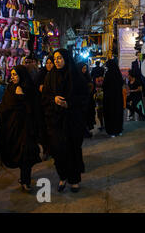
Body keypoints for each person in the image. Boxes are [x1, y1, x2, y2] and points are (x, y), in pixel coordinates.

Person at [42, 49, 88, 193]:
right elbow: (45, 96)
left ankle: (74, 179)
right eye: (55, 58)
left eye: (60, 58)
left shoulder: (76, 76)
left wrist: (69, 104)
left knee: (73, 150)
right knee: (58, 151)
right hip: (55, 121)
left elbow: (84, 97)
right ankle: (62, 177)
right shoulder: (50, 77)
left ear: (66, 59)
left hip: (72, 120)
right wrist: (53, 99)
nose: (57, 61)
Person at [0, 65, 43, 192]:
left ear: (22, 75)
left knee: (26, 154)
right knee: (19, 154)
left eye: (15, 74)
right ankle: (24, 179)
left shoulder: (29, 89)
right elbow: (4, 108)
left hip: (27, 128)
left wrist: (22, 96)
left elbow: (34, 109)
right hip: (14, 129)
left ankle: (25, 181)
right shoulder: (10, 89)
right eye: (12, 75)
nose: (13, 77)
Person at [102, 59, 124, 137]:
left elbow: (104, 86)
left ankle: (112, 131)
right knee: (118, 113)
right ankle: (119, 130)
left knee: (110, 114)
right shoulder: (118, 74)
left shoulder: (108, 74)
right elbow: (121, 83)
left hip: (109, 99)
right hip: (118, 98)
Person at [77, 62, 95, 139]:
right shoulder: (77, 77)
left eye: (85, 68)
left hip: (88, 101)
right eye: (83, 68)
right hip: (81, 102)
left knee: (87, 117)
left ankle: (86, 130)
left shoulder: (87, 76)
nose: (84, 70)